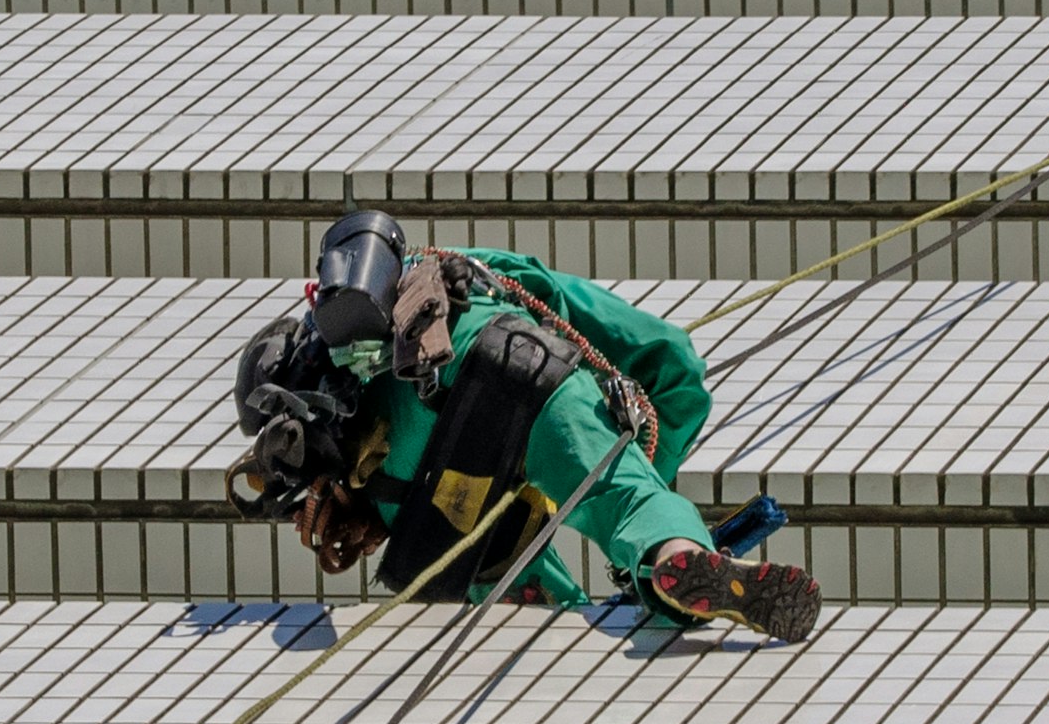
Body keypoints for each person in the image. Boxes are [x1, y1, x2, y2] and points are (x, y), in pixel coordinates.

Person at [229, 213, 822, 642]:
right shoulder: (458, 268)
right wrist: (650, 487)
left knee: (505, 568)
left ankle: (552, 607)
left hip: (409, 483)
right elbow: (673, 361)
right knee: (624, 498)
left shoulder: (344, 399)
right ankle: (672, 553)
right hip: (507, 364)